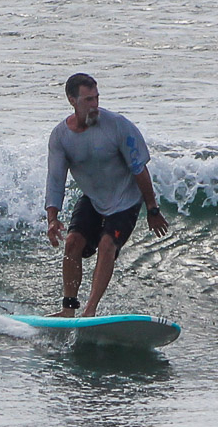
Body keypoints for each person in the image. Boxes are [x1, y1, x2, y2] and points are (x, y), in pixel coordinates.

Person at [45, 73, 169, 317]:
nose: (94, 105)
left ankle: (90, 310)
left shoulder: (117, 125)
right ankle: (68, 310)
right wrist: (52, 217)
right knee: (72, 243)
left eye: (96, 98)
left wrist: (152, 209)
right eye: (88, 100)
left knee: (106, 244)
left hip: (125, 201)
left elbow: (140, 169)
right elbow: (56, 179)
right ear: (72, 100)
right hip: (93, 198)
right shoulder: (60, 137)